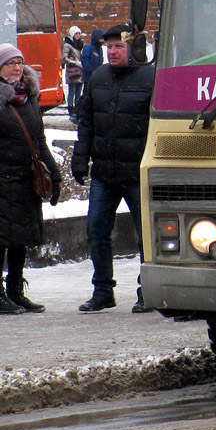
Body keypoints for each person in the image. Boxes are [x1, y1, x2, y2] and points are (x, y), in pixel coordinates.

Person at [72, 24, 155, 313]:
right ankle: (103, 290)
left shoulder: (150, 77)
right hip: (105, 173)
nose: (113, 52)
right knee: (96, 230)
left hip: (137, 172)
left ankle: (148, 291)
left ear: (133, 48)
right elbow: (87, 122)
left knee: (147, 235)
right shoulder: (98, 78)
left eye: (119, 46)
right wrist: (80, 160)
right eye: (109, 47)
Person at [0, 43, 61, 314]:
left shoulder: (29, 97)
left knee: (20, 238)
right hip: (2, 179)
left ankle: (15, 290)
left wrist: (54, 174)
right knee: (1, 238)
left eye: (19, 62)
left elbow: (38, 139)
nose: (16, 68)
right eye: (10, 63)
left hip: (26, 180)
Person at [63, 26, 84, 122]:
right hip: (72, 71)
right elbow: (64, 58)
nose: (78, 35)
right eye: (76, 33)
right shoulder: (67, 45)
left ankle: (77, 109)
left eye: (79, 33)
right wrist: (76, 63)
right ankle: (71, 110)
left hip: (80, 71)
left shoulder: (80, 44)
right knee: (72, 91)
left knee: (78, 92)